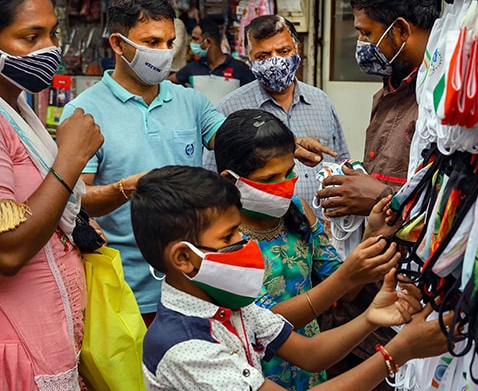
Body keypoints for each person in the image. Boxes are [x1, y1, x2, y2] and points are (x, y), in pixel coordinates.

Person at [130, 164, 453, 391]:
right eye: (229, 238)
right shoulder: (185, 347)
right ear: (183, 258)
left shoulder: (224, 303)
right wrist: (400, 351)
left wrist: (372, 317)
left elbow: (309, 354)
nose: (245, 246)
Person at [59, 0, 225, 326]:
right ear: (118, 45)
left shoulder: (191, 102)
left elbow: (235, 143)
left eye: (169, 42)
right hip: (125, 293)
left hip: (195, 283)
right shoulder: (83, 112)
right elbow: (72, 201)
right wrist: (128, 188)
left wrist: (280, 141)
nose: (164, 53)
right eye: (151, 42)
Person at [213, 109, 405, 389]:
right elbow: (264, 322)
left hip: (313, 363)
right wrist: (347, 276)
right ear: (231, 180)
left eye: (289, 172)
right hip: (259, 375)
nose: (284, 186)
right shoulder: (222, 240)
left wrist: (372, 234)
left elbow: (345, 290)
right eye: (269, 179)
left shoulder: (300, 213)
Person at [0, 0, 104, 388]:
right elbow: (8, 251)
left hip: (50, 338)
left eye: (53, 34)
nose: (50, 50)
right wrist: (71, 157)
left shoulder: (20, 109)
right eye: (30, 38)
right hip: (17, 348)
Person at [204, 15, 350, 213]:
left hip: (321, 231)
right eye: (263, 56)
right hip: (260, 237)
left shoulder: (321, 101)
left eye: (284, 51)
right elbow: (214, 183)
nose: (275, 62)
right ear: (250, 60)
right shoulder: (230, 109)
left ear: (297, 51)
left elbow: (342, 163)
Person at [315, 0, 440, 218]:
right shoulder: (388, 91)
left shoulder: (439, 99)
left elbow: (446, 204)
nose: (361, 44)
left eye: (366, 33)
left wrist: (383, 198)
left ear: (401, 30)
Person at [169, 17, 255, 86]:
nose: (192, 43)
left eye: (196, 39)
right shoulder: (193, 68)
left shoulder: (240, 69)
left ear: (208, 42)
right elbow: (168, 82)